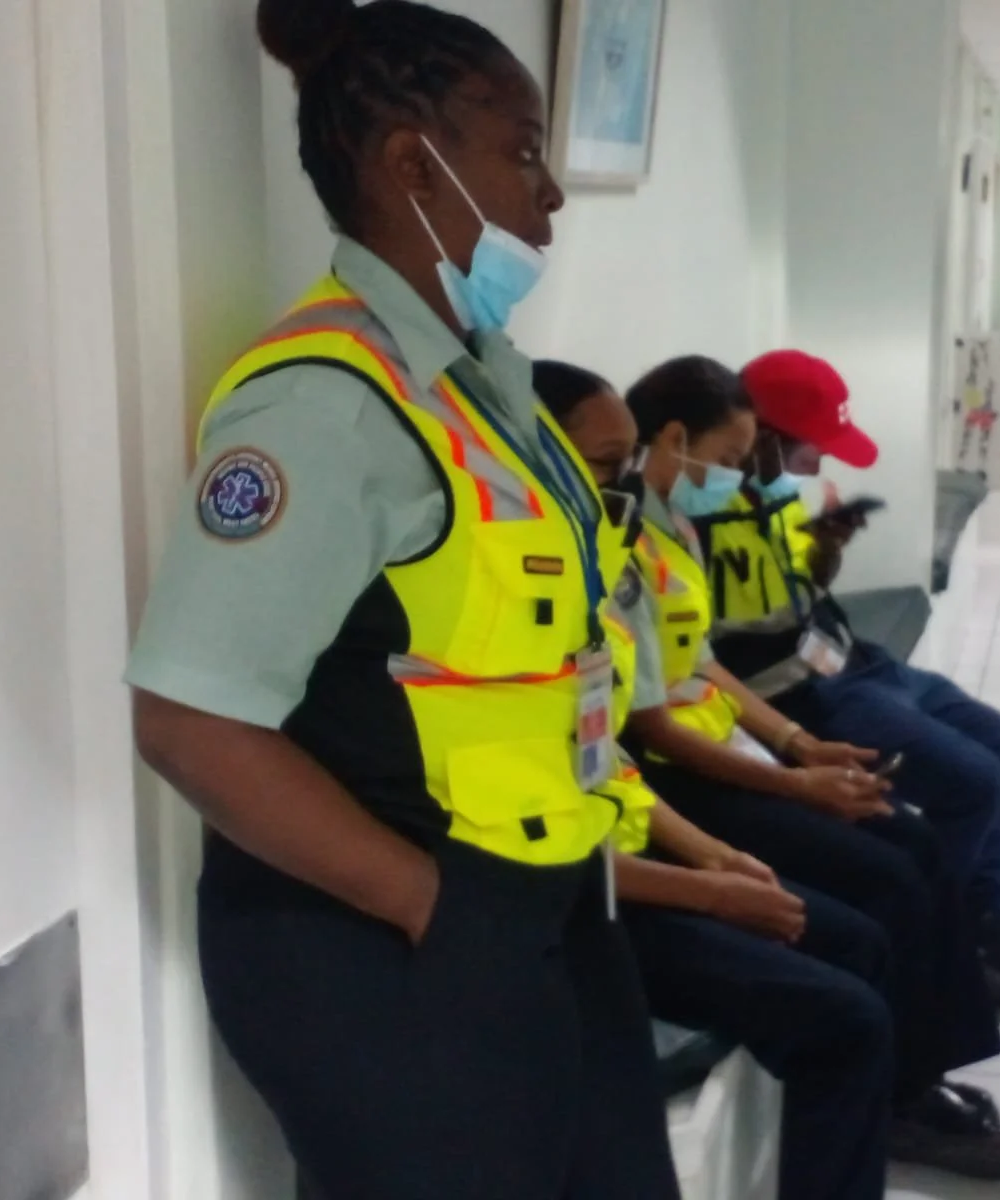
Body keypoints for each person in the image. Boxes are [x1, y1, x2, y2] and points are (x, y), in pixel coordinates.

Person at [124, 4, 679, 1197]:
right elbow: (187, 718)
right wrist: (437, 911)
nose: (552, 196)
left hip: (537, 896)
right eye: (523, 152)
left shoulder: (484, 388)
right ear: (410, 165)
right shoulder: (324, 403)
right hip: (384, 935)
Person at [588, 355, 1000, 1181]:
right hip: (678, 779)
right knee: (885, 883)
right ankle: (905, 1095)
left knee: (910, 844)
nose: (738, 478)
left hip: (723, 753)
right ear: (675, 438)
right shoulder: (610, 554)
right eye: (729, 460)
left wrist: (799, 749)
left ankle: (919, 1076)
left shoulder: (665, 531)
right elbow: (649, 724)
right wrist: (791, 784)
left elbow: (700, 667)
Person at [537, 358, 899, 1200]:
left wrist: (714, 858)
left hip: (637, 849)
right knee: (847, 1013)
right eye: (602, 464)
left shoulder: (597, 575)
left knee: (864, 932)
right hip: (587, 902)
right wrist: (706, 885)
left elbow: (609, 762)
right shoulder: (517, 620)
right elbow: (527, 844)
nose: (623, 485)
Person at [692, 349, 1000, 1018]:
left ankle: (981, 929)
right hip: (801, 697)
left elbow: (796, 595)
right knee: (973, 783)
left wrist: (826, 551)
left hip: (852, 661)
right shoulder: (694, 517)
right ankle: (945, 952)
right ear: (760, 436)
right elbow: (703, 654)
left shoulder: (777, 496)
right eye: (810, 445)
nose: (820, 461)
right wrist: (789, 736)